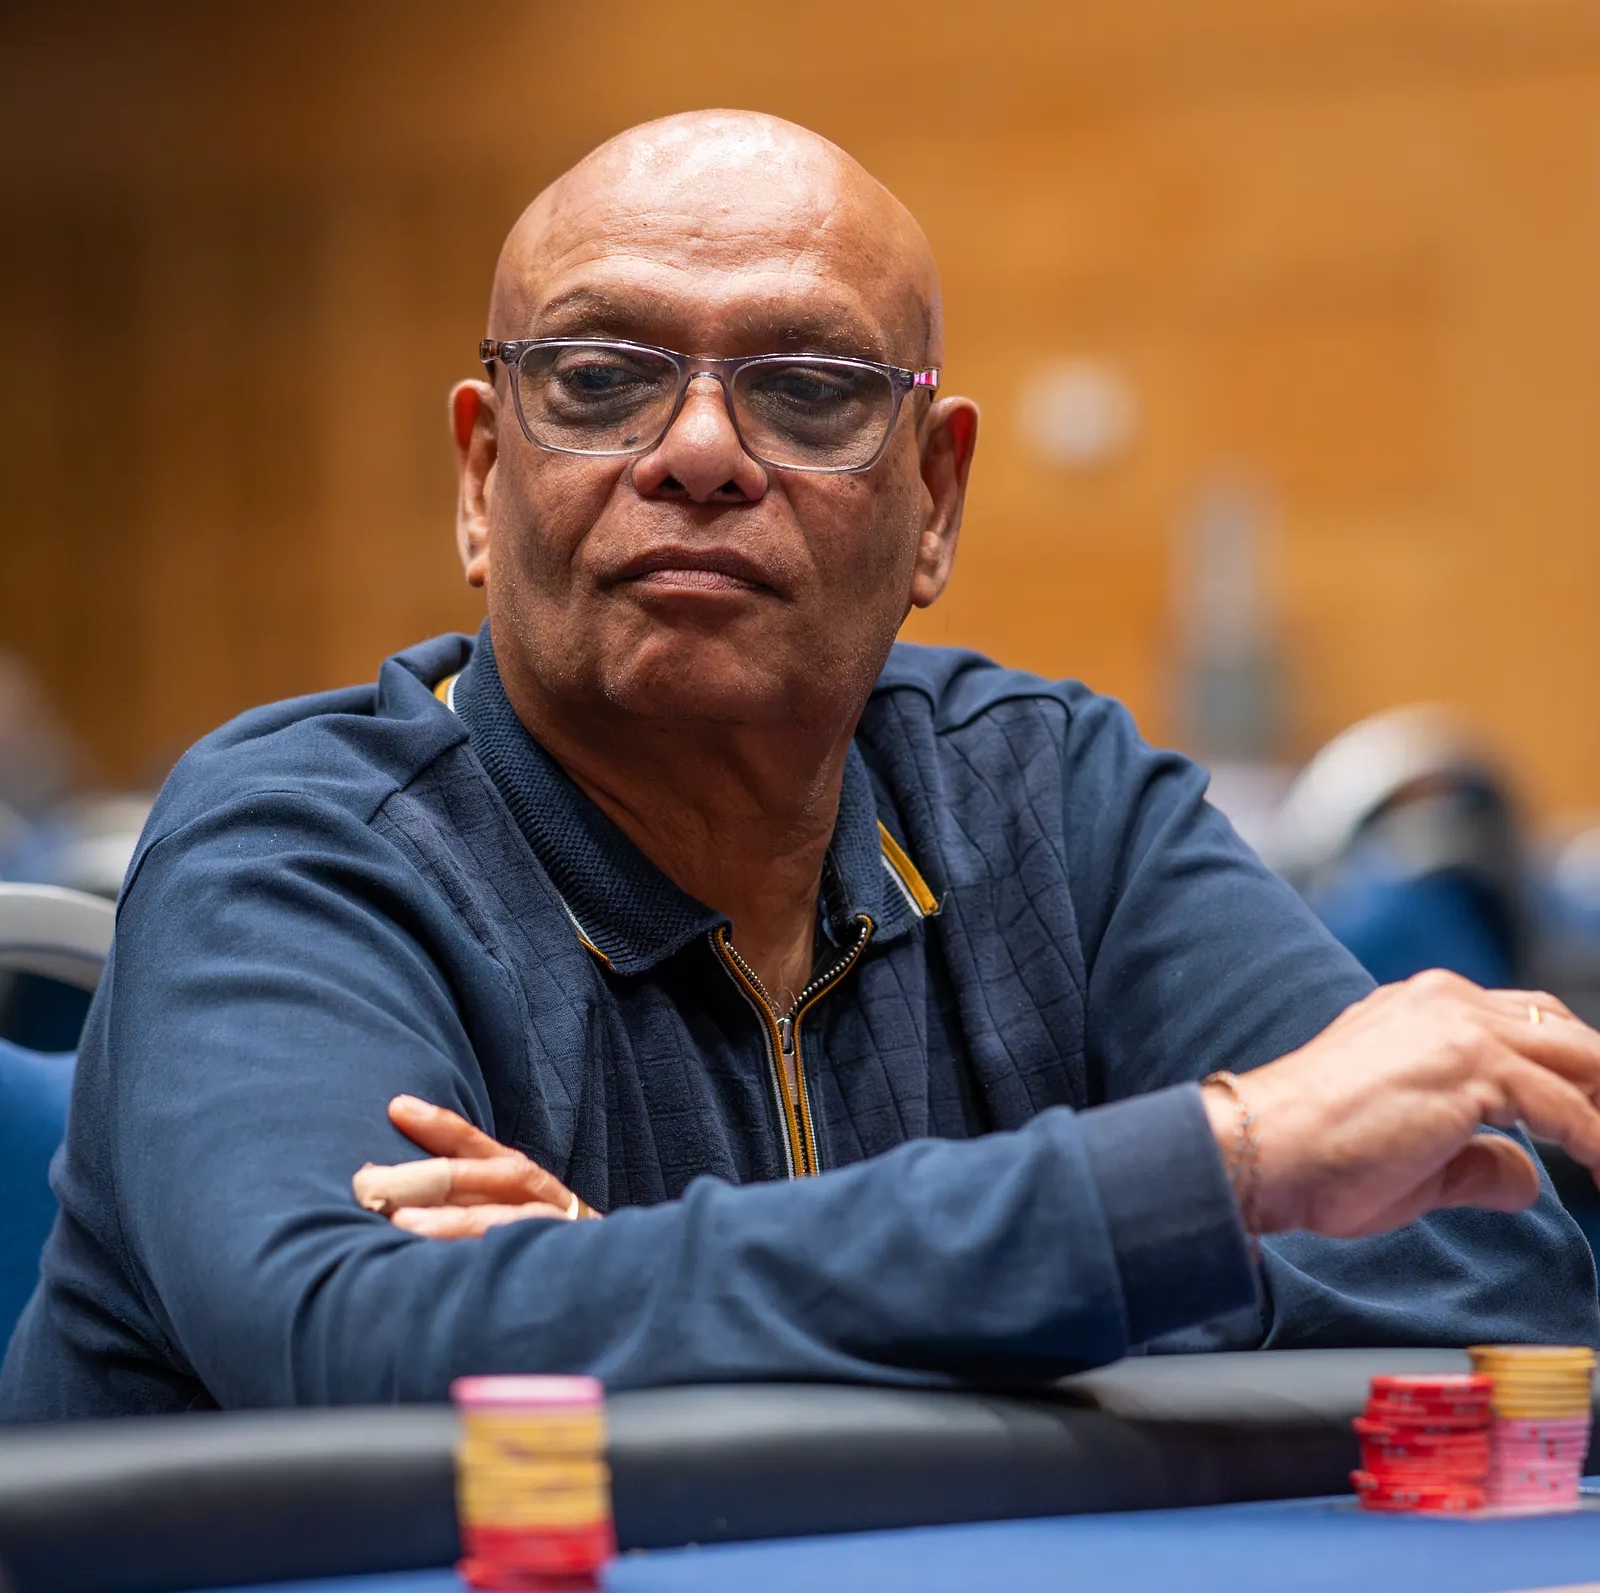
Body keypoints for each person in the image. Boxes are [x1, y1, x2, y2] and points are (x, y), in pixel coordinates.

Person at [5, 111, 1599, 1422]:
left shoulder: (1057, 803)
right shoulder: (294, 847)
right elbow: (354, 1345)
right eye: (601, 380)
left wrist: (611, 1300)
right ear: (484, 480)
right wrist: (1214, 1177)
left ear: (935, 501)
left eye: (811, 391)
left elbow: (1493, 1279)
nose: (699, 450)